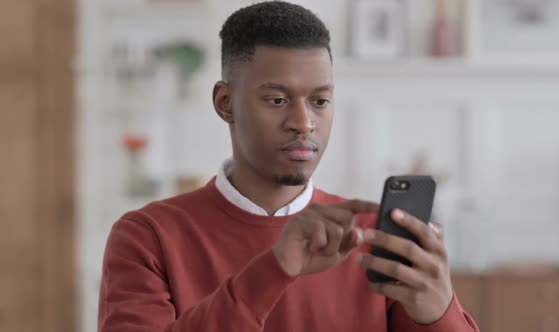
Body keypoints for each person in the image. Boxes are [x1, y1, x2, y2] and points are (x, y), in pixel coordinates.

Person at [98, 2, 480, 331]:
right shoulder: (147, 237)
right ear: (225, 102)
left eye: (320, 101)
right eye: (278, 100)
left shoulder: (374, 240)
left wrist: (439, 313)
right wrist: (274, 268)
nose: (304, 122)